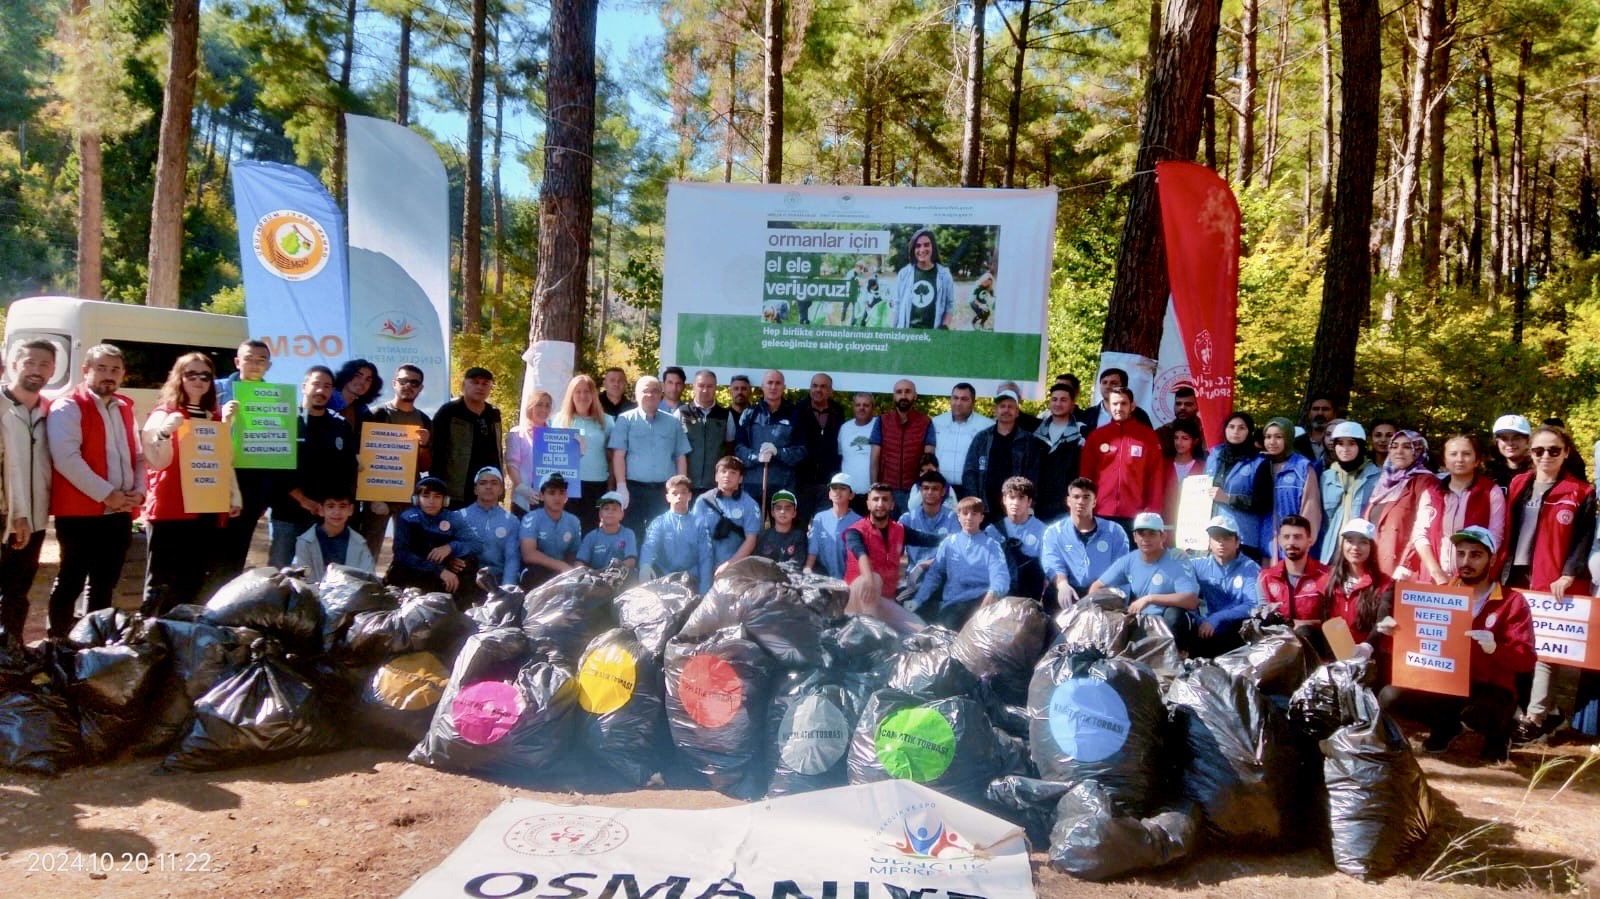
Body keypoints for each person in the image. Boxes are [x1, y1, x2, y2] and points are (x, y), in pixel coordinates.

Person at [1379, 526, 1535, 762]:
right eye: (1460, 554)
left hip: (1490, 687)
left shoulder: (1511, 601)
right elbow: (1421, 641)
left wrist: (1495, 648)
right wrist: (1395, 633)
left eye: (1475, 555)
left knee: (1479, 714)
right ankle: (1446, 725)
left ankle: (1502, 733)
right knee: (1390, 696)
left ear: (1492, 559)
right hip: (1446, 684)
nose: (1466, 561)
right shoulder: (1440, 595)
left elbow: (1526, 659)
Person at [45, 344, 146, 638]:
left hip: (119, 512)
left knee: (105, 582)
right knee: (71, 579)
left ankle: (93, 641)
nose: (108, 375)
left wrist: (138, 491)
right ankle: (59, 642)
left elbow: (137, 456)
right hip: (81, 512)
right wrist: (107, 494)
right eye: (101, 368)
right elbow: (66, 458)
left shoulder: (126, 407)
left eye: (115, 370)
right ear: (86, 371)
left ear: (123, 374)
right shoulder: (68, 406)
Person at [1505, 425, 1596, 743]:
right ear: (1530, 453)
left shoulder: (1581, 491)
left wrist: (1569, 573)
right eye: (1539, 450)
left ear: (1566, 452)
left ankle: (1535, 716)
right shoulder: (1519, 483)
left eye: (1554, 450)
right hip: (1515, 575)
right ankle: (1543, 712)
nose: (1546, 456)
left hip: (1554, 579)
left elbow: (1584, 538)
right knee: (1515, 644)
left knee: (1544, 649)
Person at [139, 353, 240, 614]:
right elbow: (152, 459)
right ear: (179, 377)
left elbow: (222, 459)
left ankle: (183, 634)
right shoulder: (165, 412)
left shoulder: (212, 416)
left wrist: (232, 494)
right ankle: (151, 633)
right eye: (191, 374)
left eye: (205, 375)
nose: (198, 380)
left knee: (194, 577)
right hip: (171, 507)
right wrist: (163, 433)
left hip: (204, 508)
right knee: (161, 580)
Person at [267, 366, 359, 569]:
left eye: (327, 386)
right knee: (278, 570)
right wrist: (302, 499)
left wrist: (333, 507)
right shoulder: (286, 421)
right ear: (304, 386)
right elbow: (276, 469)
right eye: (316, 384)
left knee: (325, 572)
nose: (321, 391)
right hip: (288, 512)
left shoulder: (340, 425)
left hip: (324, 516)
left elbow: (347, 469)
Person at [0, 340, 55, 644]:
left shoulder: (51, 411)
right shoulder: (1, 407)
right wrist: (15, 513)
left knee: (18, 594)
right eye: (30, 362)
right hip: (6, 518)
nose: (36, 370)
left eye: (44, 364)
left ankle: (10, 654)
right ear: (13, 365)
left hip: (36, 523)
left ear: (53, 370)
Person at [1088, 512, 1200, 649]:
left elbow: (1191, 600)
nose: (1146, 539)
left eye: (1152, 533)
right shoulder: (1129, 560)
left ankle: (1180, 656)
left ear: (1163, 536)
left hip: (1173, 623)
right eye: (1141, 534)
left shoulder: (1177, 560)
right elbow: (1096, 587)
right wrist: (1111, 610)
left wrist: (1150, 598)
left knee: (1174, 615)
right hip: (1144, 621)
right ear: (1135, 537)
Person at [843, 483, 941, 635]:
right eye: (875, 499)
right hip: (858, 599)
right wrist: (869, 578)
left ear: (892, 504)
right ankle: (866, 632)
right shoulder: (855, 531)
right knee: (873, 579)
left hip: (885, 601)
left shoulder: (900, 530)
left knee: (921, 631)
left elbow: (931, 539)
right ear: (868, 504)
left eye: (885, 499)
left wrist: (958, 538)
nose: (880, 504)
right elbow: (860, 554)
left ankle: (881, 633)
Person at [360, 364, 433, 563]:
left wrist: (425, 446)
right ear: (394, 383)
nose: (408, 386)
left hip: (408, 496)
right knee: (368, 550)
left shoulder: (424, 420)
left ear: (420, 388)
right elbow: (363, 457)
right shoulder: (374, 415)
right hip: (377, 495)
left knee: (406, 550)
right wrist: (372, 497)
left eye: (414, 382)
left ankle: (402, 590)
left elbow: (425, 466)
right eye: (403, 381)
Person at [1409, 433, 1506, 584]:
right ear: (1445, 460)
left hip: (1474, 580)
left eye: (1466, 454)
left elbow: (1495, 538)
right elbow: (1420, 535)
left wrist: (1467, 573)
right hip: (1433, 578)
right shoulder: (1431, 493)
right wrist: (1436, 572)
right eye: (1453, 454)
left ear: (1477, 460)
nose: (1459, 459)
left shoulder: (1491, 492)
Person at [1302, 518, 1395, 667]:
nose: (1355, 547)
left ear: (1372, 547)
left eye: (1363, 542)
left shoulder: (1385, 584)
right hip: (1336, 657)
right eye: (1350, 541)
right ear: (1342, 544)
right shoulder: (1326, 581)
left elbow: (1382, 622)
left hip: (1370, 658)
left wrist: (1367, 647)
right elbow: (1327, 623)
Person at [217, 339, 274, 573]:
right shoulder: (216, 389)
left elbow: (276, 448)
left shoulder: (275, 396)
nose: (254, 365)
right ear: (237, 361)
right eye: (249, 359)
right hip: (218, 476)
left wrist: (265, 495)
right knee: (211, 545)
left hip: (253, 482)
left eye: (261, 360)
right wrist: (221, 414)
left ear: (268, 366)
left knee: (238, 548)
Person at [609, 375, 691, 535]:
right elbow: (618, 455)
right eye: (646, 391)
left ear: (661, 394)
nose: (650, 395)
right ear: (636, 394)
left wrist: (681, 487)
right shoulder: (625, 420)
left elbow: (680, 456)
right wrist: (621, 486)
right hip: (634, 489)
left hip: (663, 490)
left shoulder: (673, 422)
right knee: (632, 533)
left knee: (663, 533)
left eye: (655, 391)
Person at [912, 496, 1010, 630]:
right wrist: (918, 599)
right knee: (943, 630)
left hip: (981, 601)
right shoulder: (948, 543)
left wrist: (994, 592)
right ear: (958, 516)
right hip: (954, 603)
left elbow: (1000, 575)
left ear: (981, 517)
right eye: (965, 513)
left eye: (974, 514)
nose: (969, 518)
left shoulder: (991, 545)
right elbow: (934, 575)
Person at [1080, 387, 1165, 535]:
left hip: (1136, 515)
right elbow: (1086, 476)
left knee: (1131, 558)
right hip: (1101, 512)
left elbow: (1156, 478)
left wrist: (1152, 512)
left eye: (1123, 403)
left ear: (1132, 405)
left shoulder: (1148, 437)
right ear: (1108, 406)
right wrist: (1085, 507)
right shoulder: (1096, 436)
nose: (1118, 408)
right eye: (1114, 404)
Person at [1042, 477, 1131, 608]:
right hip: (1072, 588)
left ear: (1094, 502)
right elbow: (1053, 563)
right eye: (1076, 497)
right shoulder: (1054, 532)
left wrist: (1097, 588)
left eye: (1086, 497)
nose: (1081, 502)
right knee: (1052, 596)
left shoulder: (1115, 531)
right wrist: (1062, 584)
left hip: (1105, 590)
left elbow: (1120, 568)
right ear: (1068, 501)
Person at [962, 390, 1041, 528]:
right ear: (995, 411)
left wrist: (1028, 505)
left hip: (1015, 506)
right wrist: (974, 503)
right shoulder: (982, 438)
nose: (1006, 410)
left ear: (1017, 412)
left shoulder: (1028, 441)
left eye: (1010, 406)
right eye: (1002, 406)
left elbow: (1033, 476)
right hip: (985, 507)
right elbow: (970, 472)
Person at [388, 476, 479, 596]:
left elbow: (476, 544)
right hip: (415, 571)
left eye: (437, 496)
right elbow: (402, 553)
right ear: (416, 499)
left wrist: (451, 548)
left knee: (469, 562)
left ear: (445, 500)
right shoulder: (407, 518)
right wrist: (438, 570)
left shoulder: (452, 518)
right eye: (425, 496)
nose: (431, 501)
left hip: (443, 572)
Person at [1365, 429, 1434, 579]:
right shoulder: (1383, 483)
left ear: (1419, 450)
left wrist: (1406, 564)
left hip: (1401, 569)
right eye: (1394, 446)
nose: (1399, 451)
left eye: (1407, 446)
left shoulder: (1425, 481)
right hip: (1372, 565)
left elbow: (1424, 527)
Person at [431, 367, 502, 510]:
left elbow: (497, 451)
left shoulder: (493, 413)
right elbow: (436, 451)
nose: (480, 387)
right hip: (456, 488)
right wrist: (438, 487)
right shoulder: (449, 411)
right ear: (464, 385)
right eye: (475, 382)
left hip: (486, 486)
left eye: (485, 384)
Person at [1191, 516, 1263, 657]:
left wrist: (1218, 618)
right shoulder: (1199, 565)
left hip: (1236, 631)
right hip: (1206, 629)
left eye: (1227, 537)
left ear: (1237, 542)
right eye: (1217, 538)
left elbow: (1253, 605)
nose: (1221, 543)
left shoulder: (1250, 568)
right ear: (1210, 543)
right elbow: (1175, 577)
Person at [1205, 412, 1273, 562]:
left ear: (1249, 432)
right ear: (1225, 430)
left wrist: (1229, 499)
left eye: (1242, 428)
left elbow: (1264, 502)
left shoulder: (1259, 461)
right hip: (1212, 535)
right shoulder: (1214, 456)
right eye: (1231, 427)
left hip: (1242, 537)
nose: (1236, 431)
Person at [553, 373, 614, 534]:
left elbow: (612, 456)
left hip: (596, 483)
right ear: (571, 395)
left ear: (593, 394)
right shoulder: (559, 420)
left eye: (587, 391)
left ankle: (585, 560)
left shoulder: (607, 421)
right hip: (567, 483)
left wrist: (612, 484)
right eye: (578, 391)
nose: (582, 396)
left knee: (590, 529)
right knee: (566, 530)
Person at [735, 370, 806, 502]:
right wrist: (757, 457)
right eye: (770, 383)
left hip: (784, 487)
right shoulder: (749, 414)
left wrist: (777, 453)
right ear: (762, 386)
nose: (773, 387)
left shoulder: (795, 414)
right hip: (752, 487)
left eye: (778, 383)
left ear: (784, 387)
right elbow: (739, 449)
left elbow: (801, 451)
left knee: (782, 523)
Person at [1317, 420, 1381, 563]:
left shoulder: (1377, 477)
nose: (1345, 448)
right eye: (1340, 443)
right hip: (1331, 553)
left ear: (1361, 446)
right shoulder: (1327, 477)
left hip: (1362, 553)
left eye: (1351, 443)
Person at [1260, 417, 1321, 561]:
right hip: (1266, 544)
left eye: (1278, 437)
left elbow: (1310, 508)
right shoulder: (1260, 465)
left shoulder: (1302, 467)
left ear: (1288, 438)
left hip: (1294, 545)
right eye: (1268, 437)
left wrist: (1302, 540)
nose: (1272, 442)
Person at [871, 378, 935, 514]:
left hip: (914, 491)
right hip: (887, 490)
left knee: (910, 532)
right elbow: (874, 458)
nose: (903, 396)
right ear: (894, 396)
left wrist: (924, 490)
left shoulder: (925, 422)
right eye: (899, 392)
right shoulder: (882, 421)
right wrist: (874, 488)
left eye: (908, 392)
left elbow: (928, 460)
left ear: (915, 395)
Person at [1259, 514, 1332, 630]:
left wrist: (1305, 624)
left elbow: (1334, 619)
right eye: (1286, 537)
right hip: (1277, 642)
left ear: (1309, 541)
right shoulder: (1266, 578)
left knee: (1304, 631)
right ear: (1279, 541)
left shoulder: (1327, 576)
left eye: (1297, 537)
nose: (1291, 542)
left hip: (1317, 642)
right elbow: (1262, 618)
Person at [639, 475, 713, 588]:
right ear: (668, 497)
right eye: (675, 493)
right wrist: (645, 566)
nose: (679, 496)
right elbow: (649, 547)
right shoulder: (659, 522)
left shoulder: (700, 524)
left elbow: (705, 557)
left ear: (689, 496)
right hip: (663, 578)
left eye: (683, 492)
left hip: (692, 580)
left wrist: (705, 587)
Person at [695, 455, 761, 576]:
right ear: (716, 476)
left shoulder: (750, 504)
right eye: (723, 471)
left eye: (733, 472)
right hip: (703, 565)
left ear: (740, 478)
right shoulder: (702, 501)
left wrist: (729, 564)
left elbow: (751, 541)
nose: (727, 476)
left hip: (736, 568)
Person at [793, 373, 845, 523]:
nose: (818, 390)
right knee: (799, 527)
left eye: (823, 386)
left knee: (826, 527)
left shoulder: (838, 412)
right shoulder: (798, 410)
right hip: (802, 482)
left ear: (830, 391)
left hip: (828, 483)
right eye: (814, 386)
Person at [458, 466, 521, 588]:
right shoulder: (459, 516)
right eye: (483, 483)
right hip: (467, 581)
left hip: (497, 580)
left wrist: (507, 590)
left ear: (501, 490)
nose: (488, 487)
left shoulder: (511, 521)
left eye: (494, 483)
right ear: (475, 489)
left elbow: (512, 559)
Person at [985, 476, 1047, 599]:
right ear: (1004, 500)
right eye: (1011, 497)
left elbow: (1050, 571)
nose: (1016, 503)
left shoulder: (1044, 532)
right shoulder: (992, 531)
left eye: (1021, 498)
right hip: (999, 596)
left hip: (1030, 598)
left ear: (1029, 502)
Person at [518, 472, 583, 587]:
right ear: (542, 496)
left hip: (561, 572)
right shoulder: (531, 518)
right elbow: (528, 554)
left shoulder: (574, 521)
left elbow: (574, 554)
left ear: (566, 496)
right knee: (532, 574)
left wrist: (578, 571)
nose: (557, 497)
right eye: (551, 493)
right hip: (536, 572)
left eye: (561, 492)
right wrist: (562, 566)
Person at [1033, 382, 1086, 522]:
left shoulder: (1081, 436)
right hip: (1037, 503)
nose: (1058, 404)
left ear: (1072, 405)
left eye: (1063, 400)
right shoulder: (1035, 433)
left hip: (1065, 506)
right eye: (1054, 399)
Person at [292, 489, 375, 576]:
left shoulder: (359, 542)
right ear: (321, 510)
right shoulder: (305, 542)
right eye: (331, 506)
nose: (337, 512)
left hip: (350, 588)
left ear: (351, 510)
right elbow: (302, 578)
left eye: (342, 506)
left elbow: (368, 577)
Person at [930, 383, 991, 497]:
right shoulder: (936, 422)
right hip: (940, 489)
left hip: (971, 490)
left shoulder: (987, 426)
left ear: (973, 403)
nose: (958, 403)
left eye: (964, 399)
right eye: (955, 398)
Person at [679, 369, 733, 498]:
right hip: (687, 484)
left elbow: (730, 448)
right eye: (701, 385)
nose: (705, 390)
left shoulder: (725, 415)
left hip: (715, 485)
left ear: (716, 388)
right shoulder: (681, 413)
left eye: (710, 386)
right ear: (693, 387)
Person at [892, 228, 955, 329]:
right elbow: (897, 303)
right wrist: (894, 329)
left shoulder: (944, 275)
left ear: (932, 247)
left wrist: (944, 327)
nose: (922, 250)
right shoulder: (904, 274)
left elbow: (949, 305)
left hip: (933, 336)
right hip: (908, 335)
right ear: (913, 249)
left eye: (926, 245)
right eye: (918, 246)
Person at [505, 390, 553, 515]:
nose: (543, 409)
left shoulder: (555, 435)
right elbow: (511, 464)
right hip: (523, 500)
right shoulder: (517, 433)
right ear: (530, 407)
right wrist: (522, 488)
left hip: (549, 501)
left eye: (547, 405)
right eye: (539, 404)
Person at [900, 470, 959, 569]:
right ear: (920, 491)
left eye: (935, 489)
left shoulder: (953, 519)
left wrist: (925, 565)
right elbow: (894, 551)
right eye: (926, 488)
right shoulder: (907, 519)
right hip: (912, 576)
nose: (930, 492)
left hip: (943, 575)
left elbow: (957, 553)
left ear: (943, 491)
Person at [806, 473, 862, 578]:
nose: (837, 491)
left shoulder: (859, 522)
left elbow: (860, 556)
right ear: (829, 494)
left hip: (849, 580)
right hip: (822, 578)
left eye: (843, 488)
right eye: (834, 488)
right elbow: (813, 549)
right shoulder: (819, 518)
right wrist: (807, 569)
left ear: (851, 495)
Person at [577, 492, 639, 572]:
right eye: (606, 508)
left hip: (621, 577)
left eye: (614, 509)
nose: (610, 512)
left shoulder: (628, 534)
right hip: (596, 578)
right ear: (600, 514)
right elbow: (579, 562)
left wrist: (610, 572)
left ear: (622, 515)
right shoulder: (591, 536)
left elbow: (631, 561)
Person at [1163, 417, 1206, 524]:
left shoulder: (1204, 467)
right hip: (1165, 522)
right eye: (1176, 438)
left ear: (1195, 441)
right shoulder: (1163, 465)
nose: (1179, 442)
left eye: (1185, 438)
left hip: (1192, 523)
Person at [837, 392, 876, 509]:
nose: (861, 408)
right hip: (849, 494)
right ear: (853, 407)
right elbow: (840, 456)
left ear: (872, 407)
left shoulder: (879, 426)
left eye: (866, 405)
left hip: (872, 494)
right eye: (858, 405)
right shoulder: (844, 428)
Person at [1084, 368, 1153, 429]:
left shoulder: (1139, 415)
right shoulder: (1088, 414)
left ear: (1124, 387)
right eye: (1104, 383)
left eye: (1113, 383)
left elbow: (1149, 440)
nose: (1107, 386)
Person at [755, 490, 807, 565]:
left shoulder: (799, 537)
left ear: (794, 513)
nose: (782, 511)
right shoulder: (763, 535)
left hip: (789, 575)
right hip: (766, 574)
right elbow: (757, 561)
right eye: (778, 508)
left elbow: (797, 562)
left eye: (787, 508)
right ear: (772, 513)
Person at [330, 358, 381, 434]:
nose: (362, 382)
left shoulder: (363, 411)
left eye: (368, 379)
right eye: (358, 376)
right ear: (347, 375)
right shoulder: (326, 399)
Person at [1156, 385, 1205, 458]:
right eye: (1178, 404)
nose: (1182, 408)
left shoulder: (1206, 432)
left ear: (1197, 406)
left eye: (1188, 404)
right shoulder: (1163, 432)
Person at [1487, 414, 1534, 490]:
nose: (1510, 443)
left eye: (1517, 438)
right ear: (1496, 442)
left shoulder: (1537, 473)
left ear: (1528, 441)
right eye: (1504, 439)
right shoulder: (1489, 474)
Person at [1295, 395, 1337, 466]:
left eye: (1325, 409)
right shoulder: (1296, 444)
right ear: (1309, 414)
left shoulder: (1340, 443)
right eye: (1315, 409)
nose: (1320, 413)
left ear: (1334, 414)